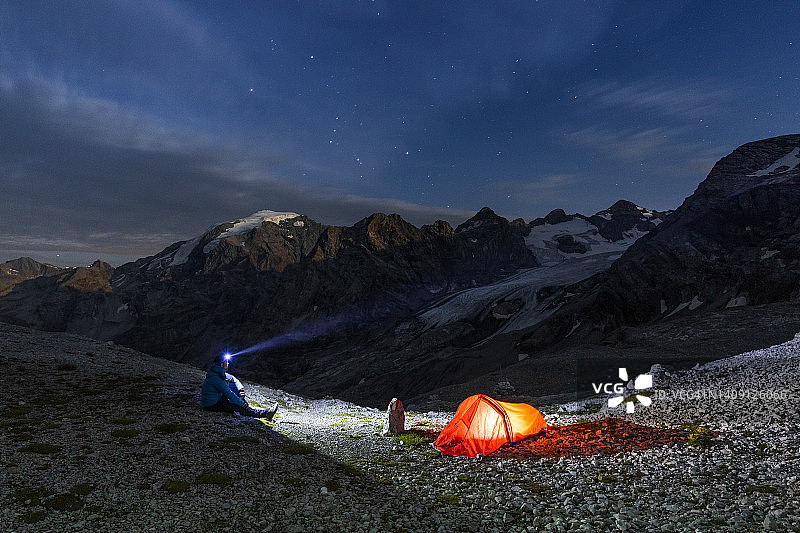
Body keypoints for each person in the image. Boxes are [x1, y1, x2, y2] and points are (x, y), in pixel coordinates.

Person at [201, 353, 277, 420]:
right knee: (238, 406)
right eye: (226, 362)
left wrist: (241, 389)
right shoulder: (216, 378)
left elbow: (233, 379)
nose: (228, 363)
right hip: (212, 405)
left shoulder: (217, 372)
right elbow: (229, 394)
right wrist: (243, 405)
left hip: (215, 398)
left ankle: (244, 405)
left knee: (232, 385)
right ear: (222, 364)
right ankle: (265, 413)